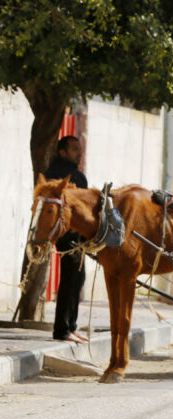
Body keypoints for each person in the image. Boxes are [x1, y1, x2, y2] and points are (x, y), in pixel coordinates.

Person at [44, 135, 89, 343]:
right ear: (62, 151)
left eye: (78, 149)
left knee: (77, 279)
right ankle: (62, 330)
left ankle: (70, 326)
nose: (78, 153)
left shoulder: (75, 175)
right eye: (73, 149)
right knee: (70, 280)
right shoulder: (60, 175)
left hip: (77, 236)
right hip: (67, 235)